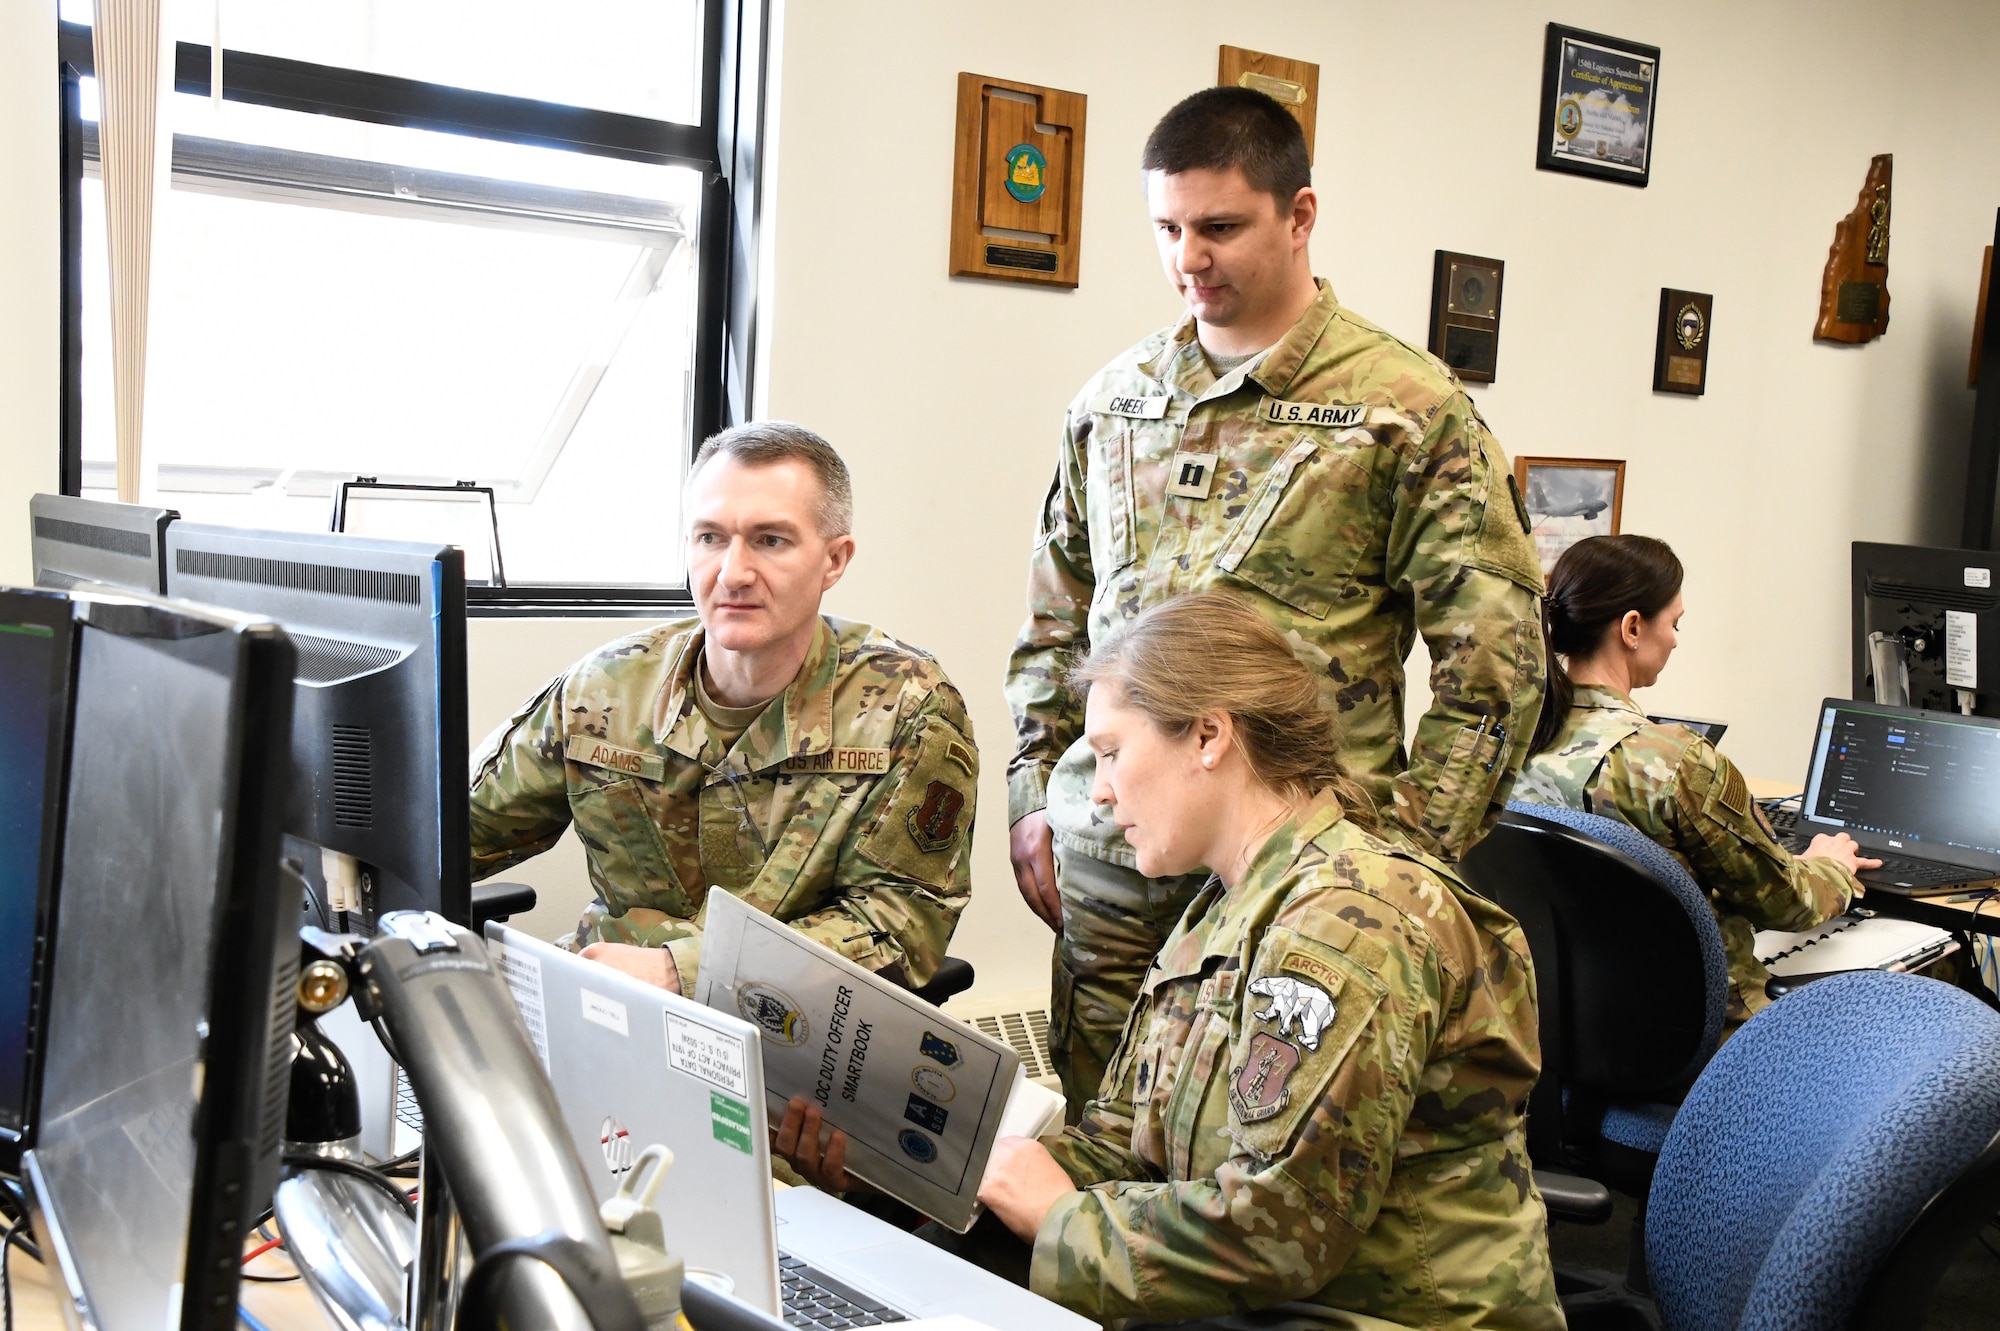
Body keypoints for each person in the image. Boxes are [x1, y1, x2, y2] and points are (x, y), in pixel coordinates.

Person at [1004, 86, 1548, 1115]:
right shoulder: (1115, 401)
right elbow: (1054, 616)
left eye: (1218, 227)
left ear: (1298, 216)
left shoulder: (1404, 410)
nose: (1187, 259)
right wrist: (1035, 794)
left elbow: (1494, 664)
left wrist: (1407, 848)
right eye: (1167, 229)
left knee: (1268, 1161)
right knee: (1099, 1151)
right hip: (1114, 855)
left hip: (1297, 866)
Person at [971, 592, 1559, 1329]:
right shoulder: (1225, 907)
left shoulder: (1353, 921)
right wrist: (968, 1173)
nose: (1100, 788)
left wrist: (1059, 1216)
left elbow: (1282, 1225)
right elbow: (1131, 1145)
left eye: (1114, 750)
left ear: (1209, 735)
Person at [468, 421, 977, 995]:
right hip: (610, 1009)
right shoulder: (607, 688)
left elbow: (900, 926)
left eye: (770, 540)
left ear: (834, 561)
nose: (732, 573)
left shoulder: (906, 707)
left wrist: (679, 971)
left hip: (792, 1038)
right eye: (710, 537)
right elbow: (458, 830)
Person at [1514, 534, 1875, 1025]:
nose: (1678, 640)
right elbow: (1787, 905)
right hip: (1698, 1027)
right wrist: (1830, 867)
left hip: (1562, 1020)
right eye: (1675, 623)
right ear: (1633, 628)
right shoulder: (1675, 762)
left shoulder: (1510, 740)